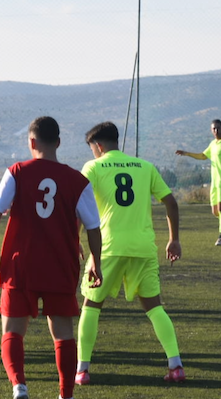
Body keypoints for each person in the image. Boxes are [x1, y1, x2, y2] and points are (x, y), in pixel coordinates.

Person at [0, 116, 102, 399]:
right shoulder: (77, 180)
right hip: (60, 264)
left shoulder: (17, 172)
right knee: (63, 334)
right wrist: (96, 259)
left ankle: (19, 386)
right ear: (58, 142)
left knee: (13, 331)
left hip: (22, 264)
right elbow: (94, 227)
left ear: (32, 143)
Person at [77, 121, 185, 385]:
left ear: (98, 146)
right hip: (143, 248)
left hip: (108, 248)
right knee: (155, 307)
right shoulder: (145, 167)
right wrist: (174, 240)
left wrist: (74, 240)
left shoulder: (93, 167)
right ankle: (176, 365)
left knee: (91, 306)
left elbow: (78, 204)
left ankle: (82, 370)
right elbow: (170, 201)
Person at [175, 119, 221, 246]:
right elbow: (202, 156)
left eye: (218, 128)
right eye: (214, 129)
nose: (216, 131)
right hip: (215, 183)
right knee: (215, 211)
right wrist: (186, 153)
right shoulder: (213, 144)